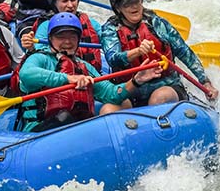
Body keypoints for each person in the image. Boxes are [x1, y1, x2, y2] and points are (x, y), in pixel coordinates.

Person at [15, 13, 162, 132]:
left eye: (72, 36)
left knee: (78, 121)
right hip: (38, 132)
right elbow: (26, 74)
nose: (67, 41)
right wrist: (67, 78)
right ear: (50, 39)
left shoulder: (84, 67)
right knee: (64, 118)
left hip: (77, 130)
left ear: (78, 39)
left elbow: (111, 94)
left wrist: (136, 80)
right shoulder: (40, 58)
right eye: (61, 36)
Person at [100, 0, 218, 106]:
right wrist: (138, 51)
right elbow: (113, 59)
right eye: (127, 4)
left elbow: (184, 52)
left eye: (137, 1)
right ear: (118, 8)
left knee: (158, 98)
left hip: (166, 86)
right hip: (130, 89)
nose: (134, 6)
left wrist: (205, 81)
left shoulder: (157, 24)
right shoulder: (110, 29)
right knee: (109, 107)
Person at [20, 0, 104, 71]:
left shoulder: (90, 22)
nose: (70, 5)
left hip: (91, 72)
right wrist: (31, 46)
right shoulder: (46, 26)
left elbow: (106, 37)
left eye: (73, 0)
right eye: (65, 1)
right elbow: (38, 52)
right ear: (55, 3)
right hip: (60, 73)